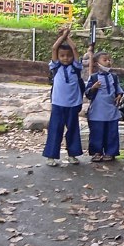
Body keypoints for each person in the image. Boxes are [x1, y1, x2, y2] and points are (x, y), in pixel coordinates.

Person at [43, 28, 84, 167]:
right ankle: (51, 157)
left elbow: (75, 48)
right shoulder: (56, 67)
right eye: (62, 56)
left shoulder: (76, 67)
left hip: (73, 104)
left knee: (73, 129)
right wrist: (63, 36)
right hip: (58, 104)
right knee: (55, 129)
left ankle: (72, 155)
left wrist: (68, 38)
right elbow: (55, 48)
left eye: (68, 55)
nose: (65, 58)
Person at [84, 50, 123, 162]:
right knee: (97, 132)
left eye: (109, 60)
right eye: (104, 60)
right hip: (97, 110)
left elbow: (118, 90)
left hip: (111, 110)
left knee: (112, 132)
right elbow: (88, 93)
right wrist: (93, 88)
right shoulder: (94, 78)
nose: (108, 62)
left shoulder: (114, 77)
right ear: (97, 63)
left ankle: (111, 152)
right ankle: (97, 152)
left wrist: (119, 96)